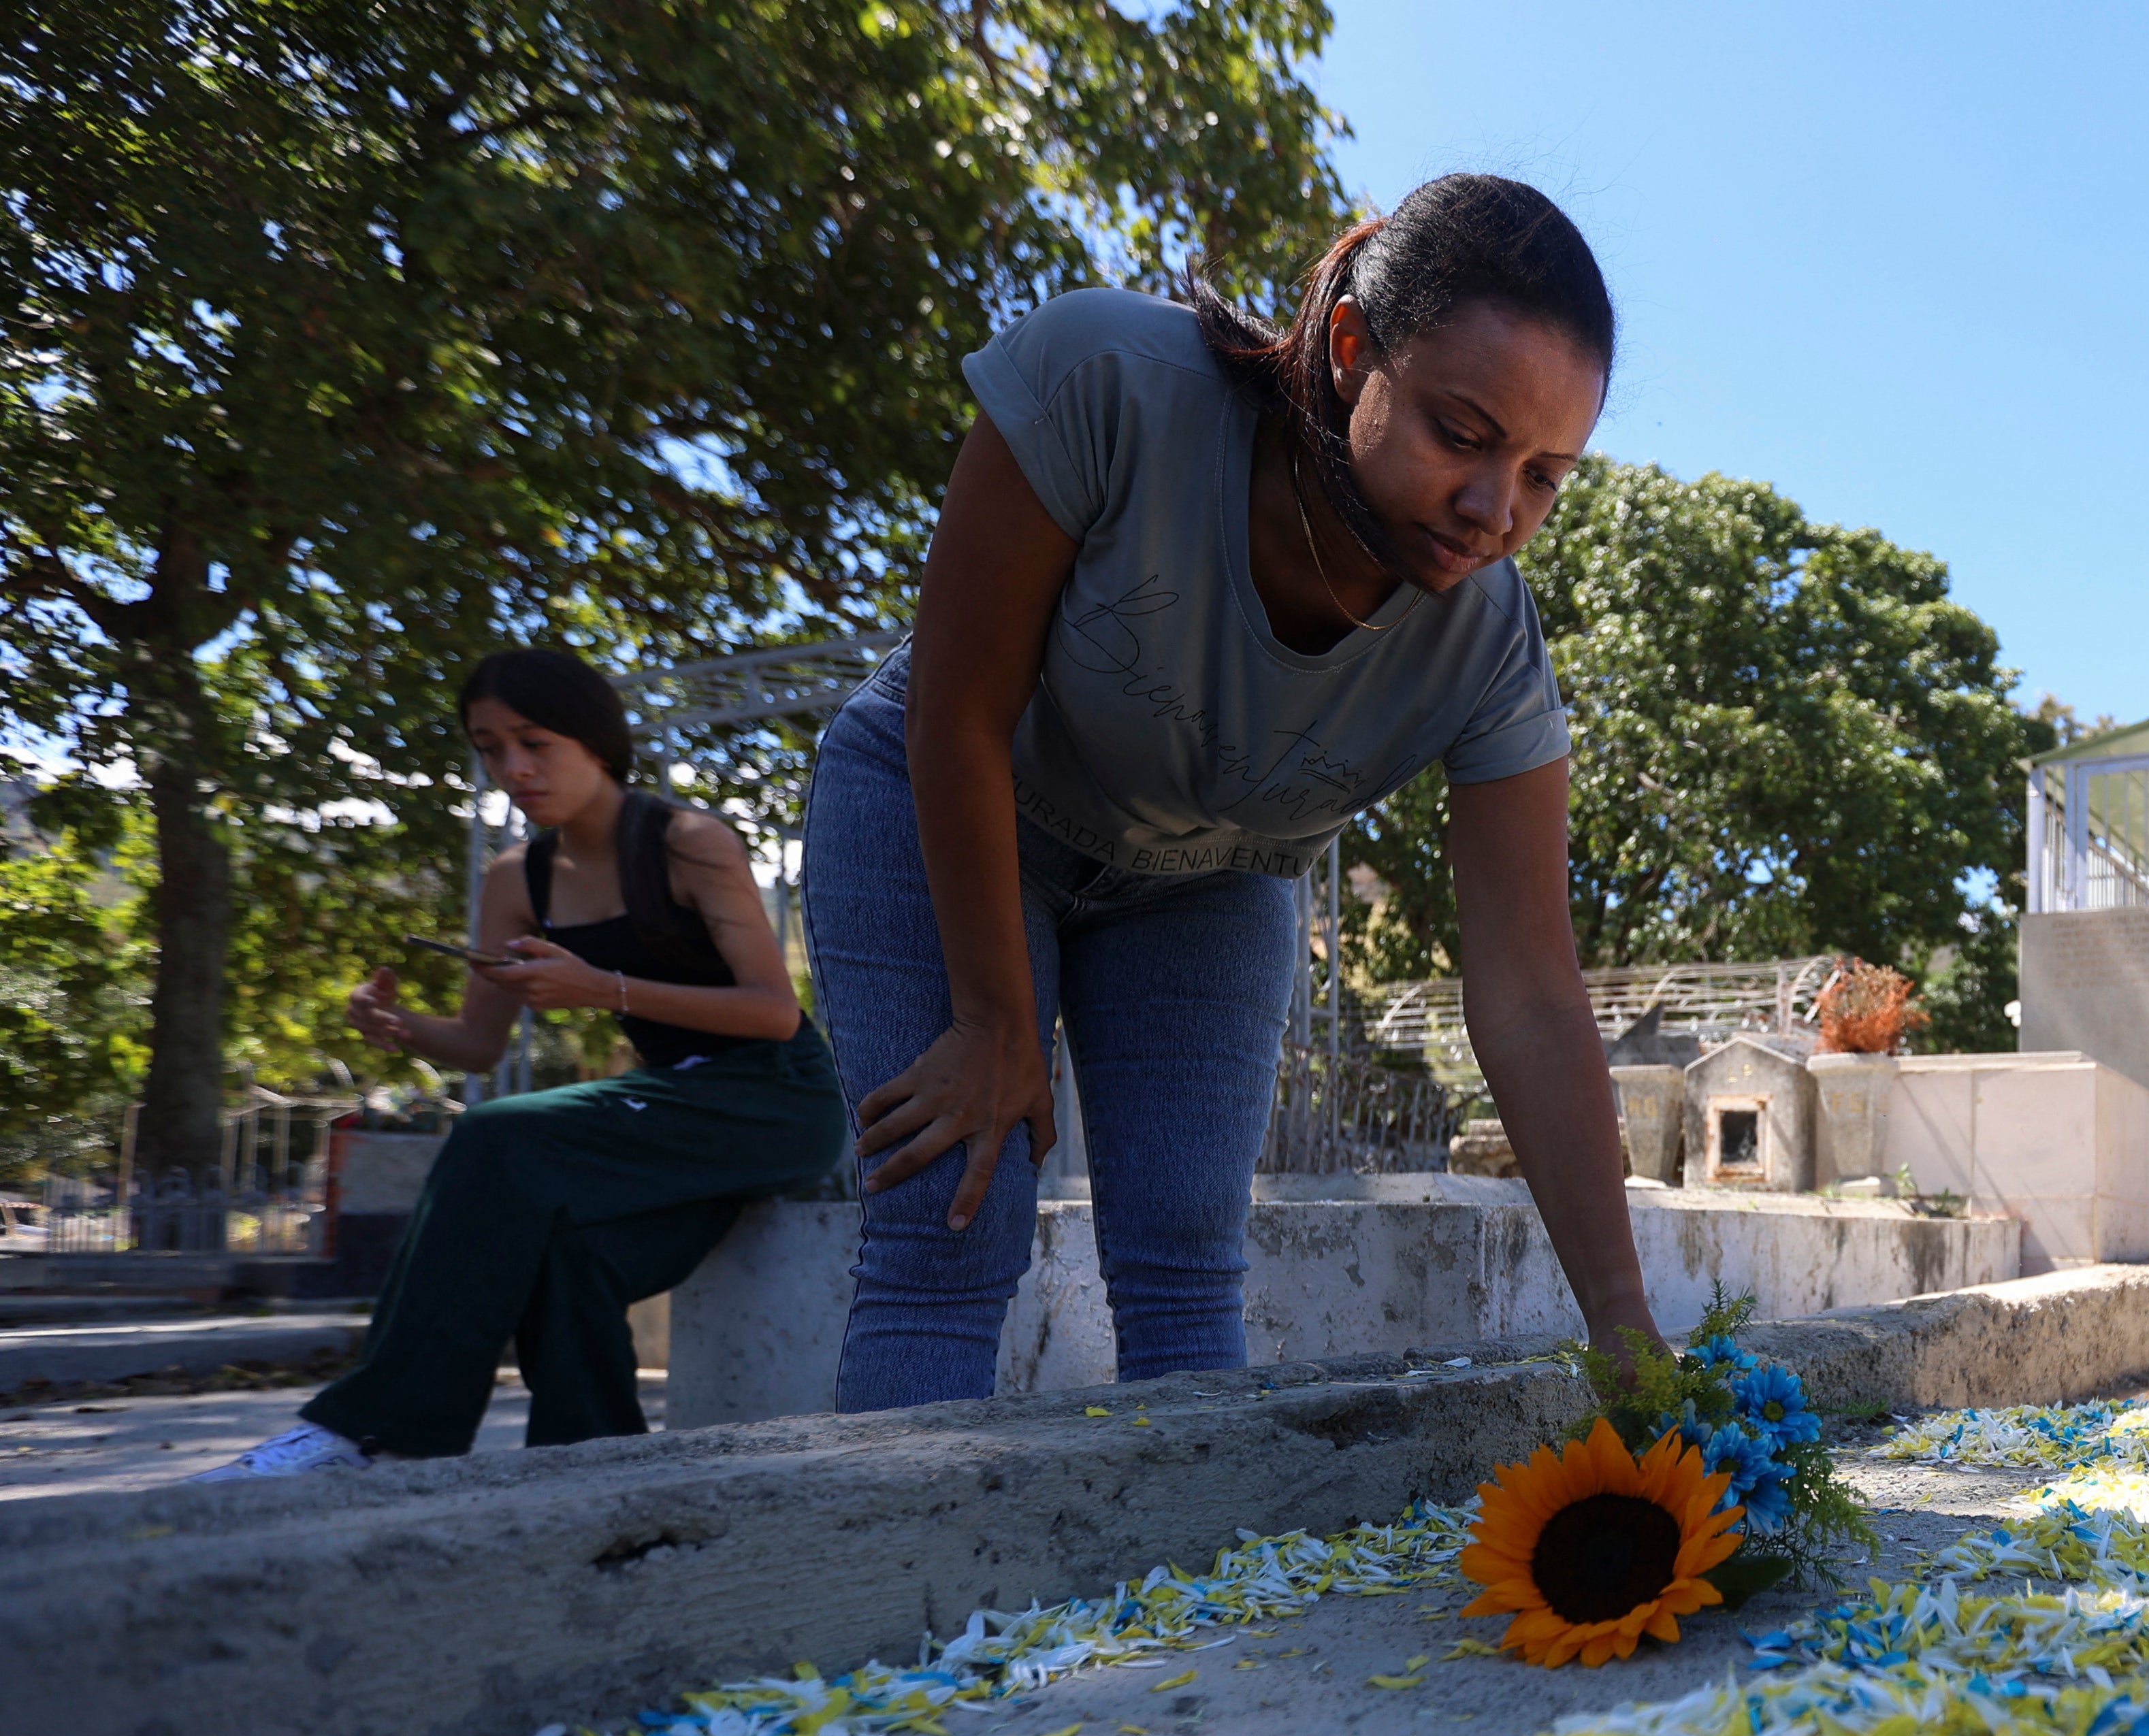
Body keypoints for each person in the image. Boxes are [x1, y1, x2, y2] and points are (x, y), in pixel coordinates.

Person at [804, 175, 1658, 1409]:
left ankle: (1186, 1612)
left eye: (1544, 475)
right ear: (1354, 347)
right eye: (1462, 437)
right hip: (956, 797)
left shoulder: (1487, 647)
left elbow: (1526, 989)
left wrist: (1622, 1331)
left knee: (1182, 1271)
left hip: (1206, 882)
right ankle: (885, 1602)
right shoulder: (1105, 380)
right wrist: (994, 1022)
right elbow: (960, 715)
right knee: (953, 1229)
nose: (1493, 512)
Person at [201, 651, 850, 1477]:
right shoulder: (518, 878)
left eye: (535, 742)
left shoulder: (688, 842)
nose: (513, 768)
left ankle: (381, 1429)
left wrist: (598, 986)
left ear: (596, 740)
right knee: (570, 1250)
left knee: (498, 1134)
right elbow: (479, 1044)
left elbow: (774, 1010)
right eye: (489, 747)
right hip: (670, 1105)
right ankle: (593, 1469)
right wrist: (400, 1026)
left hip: (773, 1098)